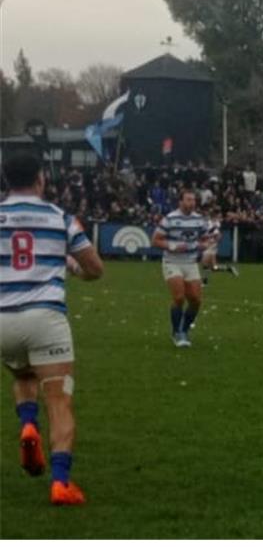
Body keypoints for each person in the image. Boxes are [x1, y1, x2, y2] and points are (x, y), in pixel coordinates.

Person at [1, 152, 105, 505]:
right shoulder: (60, 217)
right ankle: (61, 483)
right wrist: (72, 267)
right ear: (40, 179)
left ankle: (27, 423)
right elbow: (95, 268)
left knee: (22, 375)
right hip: (45, 318)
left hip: (3, 318)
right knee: (59, 399)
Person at [153, 189, 218, 348]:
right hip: (172, 261)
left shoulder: (199, 220)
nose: (192, 203)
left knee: (196, 300)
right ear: (180, 202)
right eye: (188, 200)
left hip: (190, 262)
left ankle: (185, 329)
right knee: (179, 297)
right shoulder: (169, 219)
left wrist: (205, 244)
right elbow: (155, 240)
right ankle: (177, 333)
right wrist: (172, 245)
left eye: (193, 200)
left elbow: (205, 239)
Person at [197, 208, 238, 283]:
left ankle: (204, 282)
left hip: (211, 245)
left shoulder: (216, 224)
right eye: (219, 216)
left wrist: (215, 238)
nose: (220, 217)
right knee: (214, 268)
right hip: (208, 243)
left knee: (204, 262)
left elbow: (218, 235)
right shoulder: (209, 223)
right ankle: (229, 269)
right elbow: (208, 234)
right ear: (215, 216)